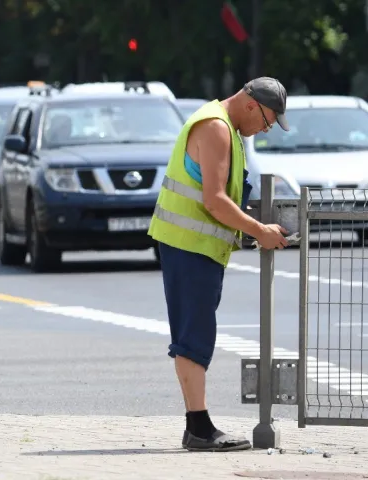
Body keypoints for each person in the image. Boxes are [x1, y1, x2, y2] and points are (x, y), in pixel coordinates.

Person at [147, 77, 290, 451]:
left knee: (195, 333)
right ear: (250, 105)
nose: (266, 128)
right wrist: (259, 230)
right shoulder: (216, 127)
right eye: (268, 120)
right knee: (193, 338)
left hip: (193, 246)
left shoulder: (224, 125)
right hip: (189, 246)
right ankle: (198, 429)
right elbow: (214, 200)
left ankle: (198, 425)